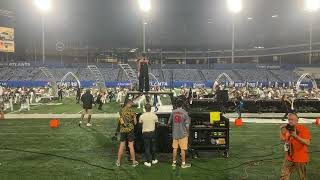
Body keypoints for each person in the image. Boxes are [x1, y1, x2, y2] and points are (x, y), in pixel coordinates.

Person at [280, 113, 311, 180]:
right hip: (289, 157)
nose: (290, 121)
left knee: (302, 177)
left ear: (297, 121)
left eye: (292, 120)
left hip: (300, 158)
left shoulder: (303, 129)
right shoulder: (287, 129)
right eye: (289, 119)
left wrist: (296, 136)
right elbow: (283, 139)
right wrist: (281, 130)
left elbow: (308, 143)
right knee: (284, 176)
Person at [167, 99, 191, 168]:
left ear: (176, 104)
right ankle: (183, 164)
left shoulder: (173, 112)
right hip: (183, 134)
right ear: (182, 105)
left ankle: (174, 163)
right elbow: (187, 125)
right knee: (182, 149)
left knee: (175, 148)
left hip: (175, 133)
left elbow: (168, 123)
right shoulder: (185, 113)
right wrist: (187, 132)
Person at [116, 100, 139, 167]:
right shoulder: (132, 111)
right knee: (131, 146)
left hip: (123, 130)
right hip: (130, 130)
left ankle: (118, 161)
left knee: (121, 146)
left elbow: (120, 120)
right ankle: (134, 162)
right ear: (129, 104)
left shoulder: (121, 111)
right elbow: (135, 123)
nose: (132, 105)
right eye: (131, 103)